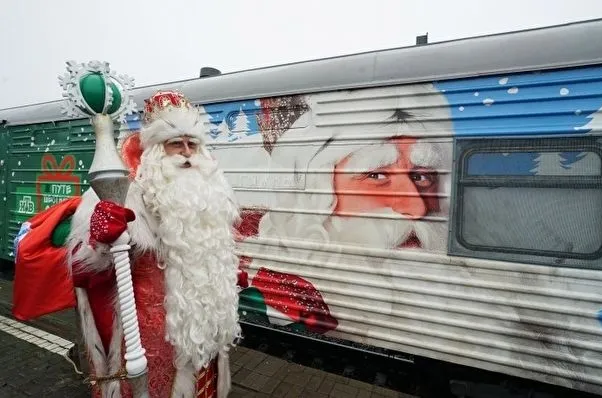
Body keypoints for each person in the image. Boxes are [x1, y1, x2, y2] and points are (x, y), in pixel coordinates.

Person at [233, 84, 453, 339]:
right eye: (377, 175)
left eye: (422, 176)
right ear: (316, 199)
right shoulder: (271, 300)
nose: (417, 208)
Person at [65, 90, 242, 398]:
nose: (186, 153)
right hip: (147, 340)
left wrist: (224, 274)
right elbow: (83, 272)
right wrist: (101, 241)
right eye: (176, 143)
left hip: (203, 332)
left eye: (193, 144)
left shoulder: (211, 193)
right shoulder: (120, 192)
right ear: (156, 150)